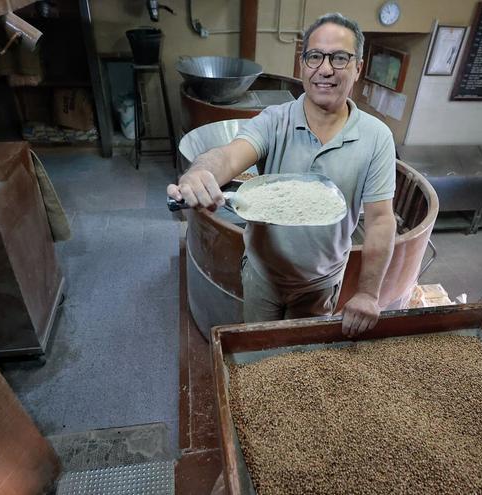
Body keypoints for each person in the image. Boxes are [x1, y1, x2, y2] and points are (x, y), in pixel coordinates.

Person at [167, 12, 396, 336]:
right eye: (315, 56)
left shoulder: (377, 137)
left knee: (299, 362)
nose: (325, 69)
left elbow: (380, 220)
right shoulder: (275, 120)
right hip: (263, 275)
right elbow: (231, 155)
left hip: (321, 282)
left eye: (340, 58)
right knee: (259, 353)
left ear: (358, 67)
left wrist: (369, 293)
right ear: (302, 65)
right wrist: (200, 171)